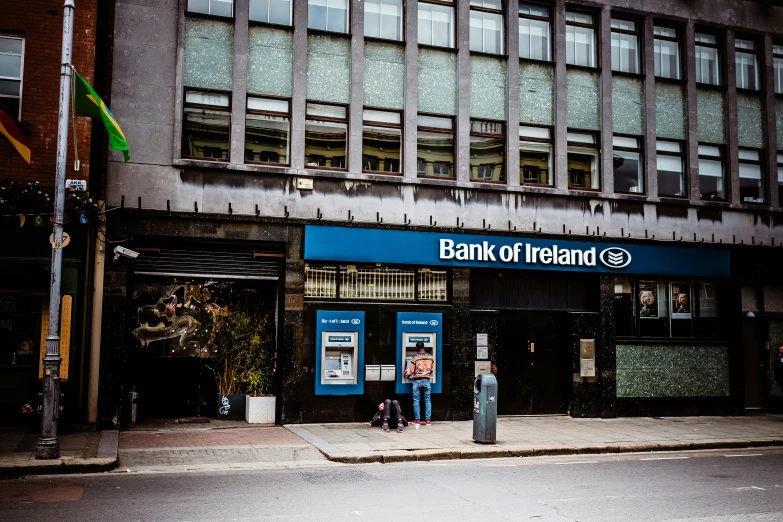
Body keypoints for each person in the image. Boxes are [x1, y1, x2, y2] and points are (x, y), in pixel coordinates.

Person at [405, 341, 434, 427]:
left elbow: (410, 370)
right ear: (424, 347)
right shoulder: (430, 357)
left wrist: (406, 375)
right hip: (426, 380)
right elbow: (431, 369)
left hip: (417, 381)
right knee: (427, 400)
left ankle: (417, 420)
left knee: (416, 400)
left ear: (417, 348)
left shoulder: (415, 358)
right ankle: (428, 421)